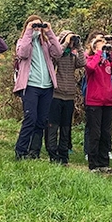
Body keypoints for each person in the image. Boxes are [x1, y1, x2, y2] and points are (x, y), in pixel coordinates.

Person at [13, 15, 62, 160]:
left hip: (46, 87)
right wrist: (29, 31)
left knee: (41, 120)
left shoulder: (45, 44)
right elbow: (23, 53)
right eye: (34, 25)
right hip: (30, 86)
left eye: (38, 25)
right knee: (30, 118)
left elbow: (58, 52)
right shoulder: (22, 42)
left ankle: (35, 152)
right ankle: (20, 151)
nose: (37, 28)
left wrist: (49, 32)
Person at [46, 30, 86, 164]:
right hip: (56, 94)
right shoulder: (57, 53)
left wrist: (79, 46)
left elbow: (82, 62)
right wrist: (65, 41)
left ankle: (63, 154)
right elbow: (55, 56)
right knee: (53, 126)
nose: (71, 42)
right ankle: (52, 153)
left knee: (65, 127)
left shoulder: (73, 56)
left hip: (69, 95)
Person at [84, 35, 112, 172]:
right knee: (95, 133)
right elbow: (90, 68)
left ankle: (104, 163)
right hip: (94, 102)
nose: (103, 47)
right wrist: (98, 52)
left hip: (107, 101)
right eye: (100, 45)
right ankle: (93, 164)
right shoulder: (90, 59)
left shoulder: (108, 63)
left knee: (106, 133)